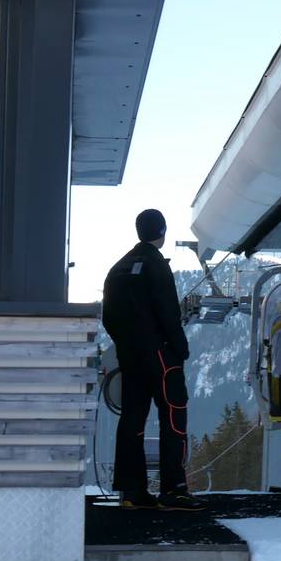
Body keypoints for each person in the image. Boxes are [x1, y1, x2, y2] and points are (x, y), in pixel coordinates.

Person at [102, 209, 205, 511]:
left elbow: (108, 316)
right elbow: (168, 312)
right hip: (161, 353)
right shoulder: (156, 265)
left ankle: (132, 490)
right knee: (173, 414)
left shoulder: (118, 268)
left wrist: (125, 343)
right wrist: (179, 347)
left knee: (132, 417)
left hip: (129, 354)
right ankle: (174, 489)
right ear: (162, 231)